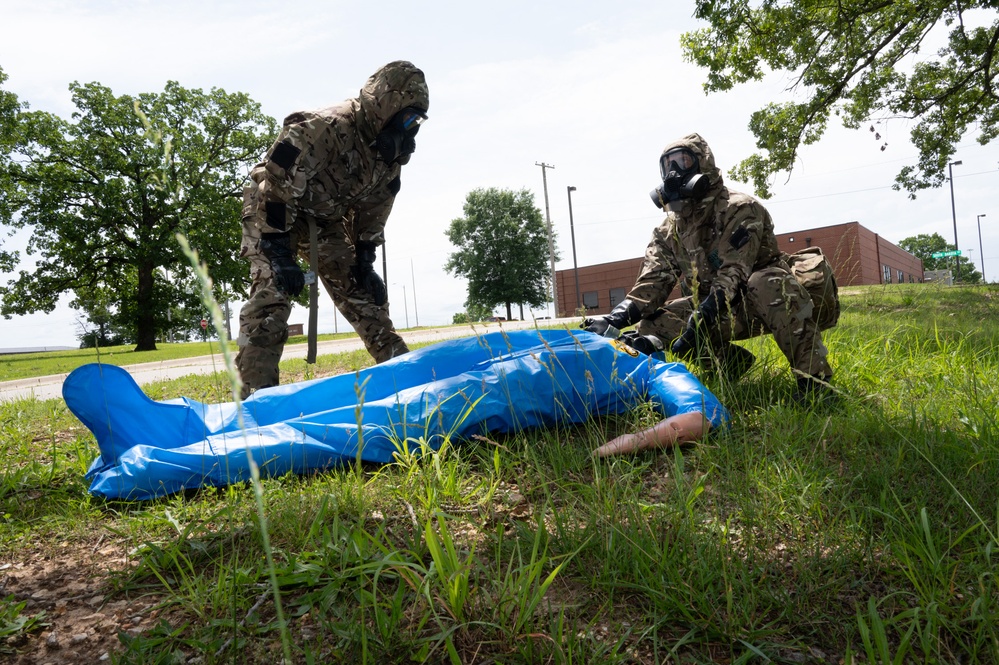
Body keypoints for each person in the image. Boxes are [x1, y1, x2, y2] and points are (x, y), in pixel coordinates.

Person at [582, 133, 838, 403]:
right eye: (667, 165)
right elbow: (653, 281)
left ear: (703, 164)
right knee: (653, 324)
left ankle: (816, 384)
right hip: (712, 310)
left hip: (761, 301)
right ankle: (728, 364)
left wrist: (703, 314)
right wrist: (613, 320)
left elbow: (734, 272)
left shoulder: (740, 208)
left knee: (766, 281)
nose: (674, 173)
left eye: (682, 161)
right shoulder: (668, 230)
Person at [236, 61, 429, 399]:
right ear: (385, 106)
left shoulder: (387, 158)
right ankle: (254, 402)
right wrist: (279, 252)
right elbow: (277, 181)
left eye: (416, 122)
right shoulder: (321, 127)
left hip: (323, 218)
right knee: (272, 300)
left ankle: (409, 383)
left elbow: (375, 209)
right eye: (406, 119)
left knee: (365, 298)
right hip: (272, 213)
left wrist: (365, 260)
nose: (410, 130)